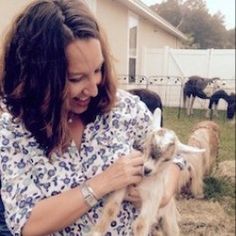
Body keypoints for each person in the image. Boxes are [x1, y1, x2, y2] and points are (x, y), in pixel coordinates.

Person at [0, 0, 182, 235]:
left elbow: (174, 157)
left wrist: (164, 191)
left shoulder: (123, 107)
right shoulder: (13, 132)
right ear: (39, 79)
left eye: (97, 70)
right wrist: (103, 183)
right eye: (76, 78)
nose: (94, 89)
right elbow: (27, 223)